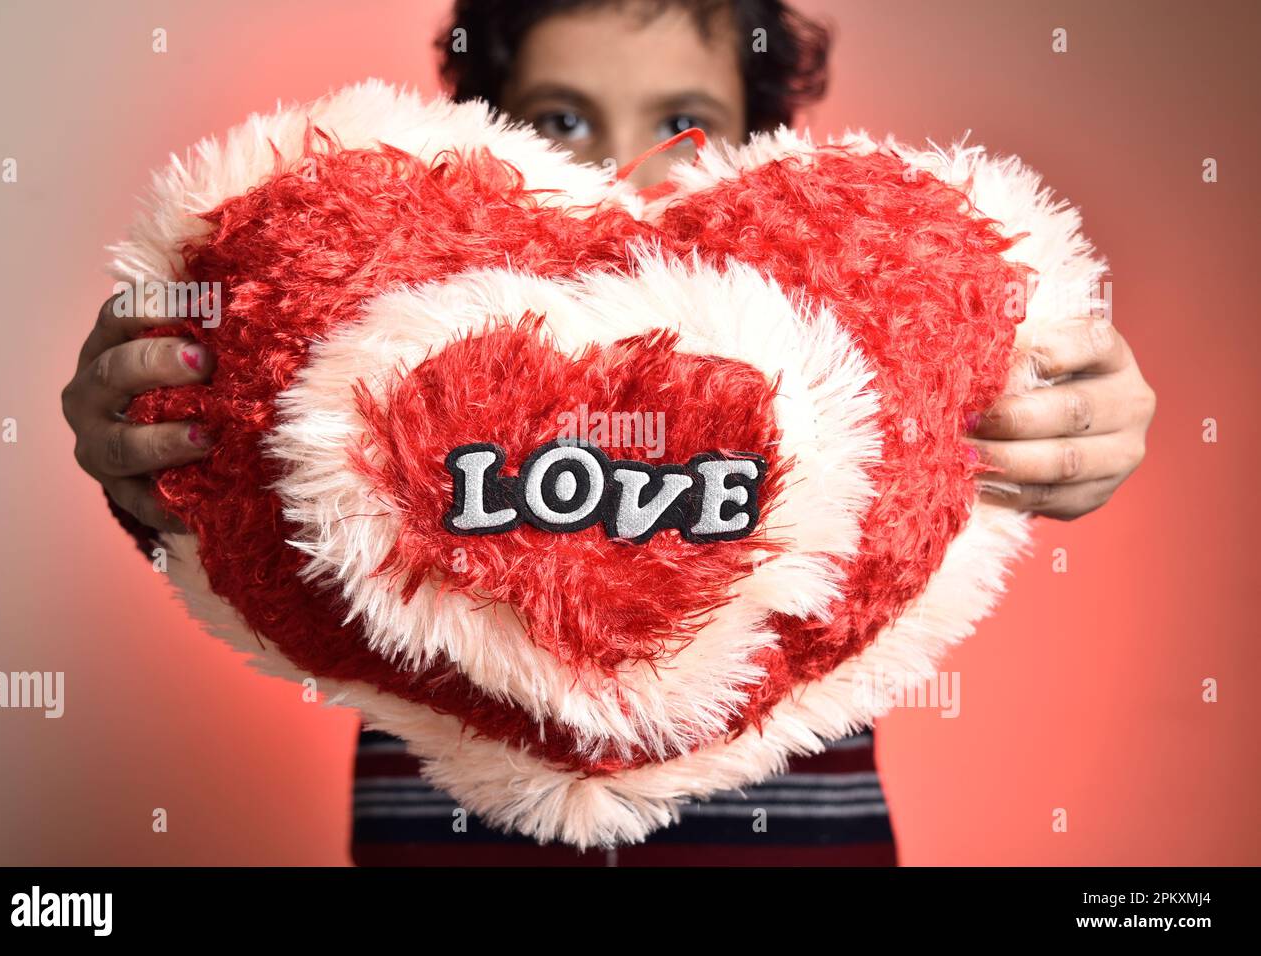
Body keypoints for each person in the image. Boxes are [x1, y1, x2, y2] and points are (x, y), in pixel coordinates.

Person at [60, 0, 1156, 866]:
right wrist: (148, 448)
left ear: (758, 148)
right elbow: (270, 493)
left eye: (685, 122)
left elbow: (970, 444)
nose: (626, 167)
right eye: (561, 120)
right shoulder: (388, 337)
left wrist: (1068, 425)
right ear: (477, 132)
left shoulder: (835, 352)